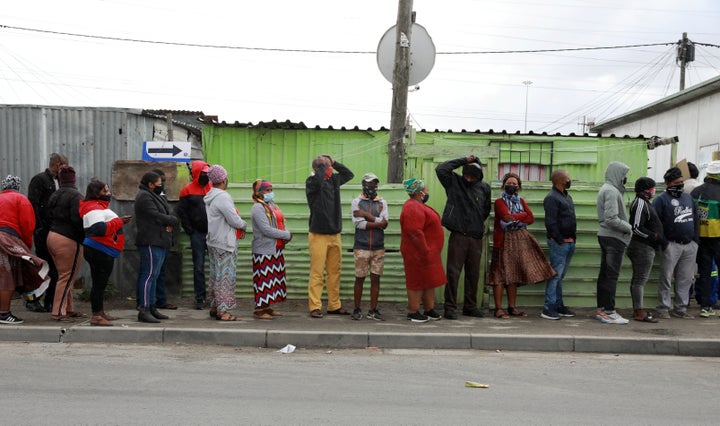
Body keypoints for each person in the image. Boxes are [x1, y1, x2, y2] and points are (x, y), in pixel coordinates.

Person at [488, 173, 555, 319]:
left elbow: (531, 218)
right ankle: (498, 308)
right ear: (504, 185)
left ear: (519, 186)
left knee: (514, 274)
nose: (512, 185)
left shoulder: (521, 200)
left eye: (514, 183)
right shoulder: (499, 201)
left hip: (519, 242)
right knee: (499, 274)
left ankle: (512, 307)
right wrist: (521, 216)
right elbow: (505, 216)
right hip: (503, 240)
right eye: (509, 183)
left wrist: (515, 218)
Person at [435, 155, 491, 320]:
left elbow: (485, 210)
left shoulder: (485, 188)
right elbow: (441, 168)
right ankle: (450, 307)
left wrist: (475, 223)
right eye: (466, 174)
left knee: (473, 274)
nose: (468, 178)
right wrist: (463, 160)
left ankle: (470, 306)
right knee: (453, 272)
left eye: (472, 176)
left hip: (476, 236)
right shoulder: (454, 182)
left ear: (478, 176)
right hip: (458, 234)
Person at [305, 154, 354, 319]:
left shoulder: (333, 181)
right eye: (325, 167)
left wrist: (334, 162)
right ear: (316, 169)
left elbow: (349, 174)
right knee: (317, 272)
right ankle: (315, 306)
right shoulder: (312, 182)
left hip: (334, 234)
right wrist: (321, 166)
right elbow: (318, 181)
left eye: (329, 166)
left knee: (335, 271)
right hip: (318, 234)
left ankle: (334, 305)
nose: (329, 170)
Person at [79, 179, 132, 326]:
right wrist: (119, 221)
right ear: (96, 193)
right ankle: (96, 316)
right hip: (99, 250)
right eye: (105, 191)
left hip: (101, 249)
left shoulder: (97, 206)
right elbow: (99, 229)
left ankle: (100, 312)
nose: (109, 193)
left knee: (100, 283)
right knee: (99, 284)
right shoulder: (94, 208)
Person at [0, 175, 50, 325]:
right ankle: (3, 313)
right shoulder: (20, 199)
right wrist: (25, 248)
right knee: (6, 278)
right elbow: (28, 225)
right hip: (6, 239)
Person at [653, 167, 698, 319]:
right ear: (668, 183)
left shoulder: (688, 198)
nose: (680, 184)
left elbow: (696, 219)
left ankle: (680, 309)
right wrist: (664, 242)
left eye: (681, 182)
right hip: (671, 245)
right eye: (676, 182)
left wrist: (695, 241)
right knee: (666, 278)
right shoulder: (660, 199)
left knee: (685, 279)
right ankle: (663, 309)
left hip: (689, 245)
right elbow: (655, 222)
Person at [399, 178, 445, 323]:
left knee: (428, 281)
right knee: (416, 281)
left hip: (427, 253)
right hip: (417, 253)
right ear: (420, 193)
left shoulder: (417, 205)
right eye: (426, 190)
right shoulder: (412, 207)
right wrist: (424, 250)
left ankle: (429, 309)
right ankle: (413, 311)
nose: (427, 192)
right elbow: (414, 231)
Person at [134, 171, 178, 323]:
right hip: (151, 241)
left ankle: (152, 306)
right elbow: (155, 215)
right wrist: (171, 221)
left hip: (159, 240)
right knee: (148, 276)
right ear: (151, 184)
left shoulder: (155, 195)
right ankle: (144, 308)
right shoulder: (145, 196)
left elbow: (166, 211)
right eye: (159, 184)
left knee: (154, 275)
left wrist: (169, 221)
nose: (161, 186)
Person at [205, 165, 247, 321]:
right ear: (223, 179)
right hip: (224, 242)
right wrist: (244, 225)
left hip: (214, 240)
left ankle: (215, 306)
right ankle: (223, 311)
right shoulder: (222, 196)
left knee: (216, 275)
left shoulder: (210, 195)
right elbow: (233, 219)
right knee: (226, 277)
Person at [27, 152, 67, 312]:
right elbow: (34, 204)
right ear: (57, 165)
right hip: (43, 232)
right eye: (64, 166)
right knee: (44, 268)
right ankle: (33, 300)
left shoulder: (55, 182)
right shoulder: (40, 180)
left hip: (52, 231)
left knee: (53, 269)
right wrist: (39, 227)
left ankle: (49, 301)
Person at [46, 165, 86, 322]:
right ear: (74, 179)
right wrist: (84, 236)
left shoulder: (55, 195)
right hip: (68, 239)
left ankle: (69, 308)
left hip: (52, 236)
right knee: (67, 276)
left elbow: (47, 215)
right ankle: (58, 311)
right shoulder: (76, 196)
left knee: (65, 274)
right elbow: (77, 220)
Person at [595, 161, 632, 324]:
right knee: (611, 276)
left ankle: (602, 310)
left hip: (608, 237)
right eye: (624, 175)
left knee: (605, 275)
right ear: (618, 174)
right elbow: (611, 219)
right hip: (613, 238)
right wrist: (629, 227)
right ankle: (609, 311)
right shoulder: (611, 191)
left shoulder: (609, 189)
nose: (625, 178)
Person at [350, 172, 389, 321]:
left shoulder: (382, 202)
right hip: (361, 246)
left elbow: (385, 224)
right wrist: (378, 222)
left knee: (375, 279)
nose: (372, 187)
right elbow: (359, 224)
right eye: (369, 184)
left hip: (378, 246)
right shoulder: (356, 202)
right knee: (359, 278)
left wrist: (366, 214)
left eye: (374, 184)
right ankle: (357, 308)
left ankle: (373, 310)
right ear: (363, 185)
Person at [250, 180, 291, 320]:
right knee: (264, 280)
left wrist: (286, 233)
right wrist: (286, 235)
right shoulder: (257, 208)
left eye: (270, 190)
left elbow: (281, 222)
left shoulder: (271, 205)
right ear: (259, 192)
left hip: (275, 248)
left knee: (273, 279)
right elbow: (265, 229)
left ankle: (267, 307)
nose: (270, 193)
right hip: (263, 249)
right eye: (267, 190)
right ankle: (259, 310)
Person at [541, 169, 577, 320]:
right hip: (559, 243)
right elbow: (551, 222)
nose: (570, 180)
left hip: (569, 242)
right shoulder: (551, 198)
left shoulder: (566, 196)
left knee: (559, 276)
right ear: (561, 180)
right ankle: (548, 308)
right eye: (568, 178)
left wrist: (572, 239)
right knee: (555, 275)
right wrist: (559, 240)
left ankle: (558, 305)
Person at [176, 160, 211, 310]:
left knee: (217, 265)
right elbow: (182, 212)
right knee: (198, 266)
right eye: (203, 173)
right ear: (197, 172)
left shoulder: (212, 188)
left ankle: (217, 297)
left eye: (208, 173)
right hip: (197, 234)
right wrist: (190, 230)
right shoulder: (187, 190)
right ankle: (200, 298)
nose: (206, 175)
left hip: (213, 234)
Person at [626, 177, 662, 323]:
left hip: (645, 247)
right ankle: (639, 311)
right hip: (642, 247)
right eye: (652, 188)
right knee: (640, 280)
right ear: (646, 190)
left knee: (638, 279)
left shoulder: (644, 203)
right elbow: (636, 228)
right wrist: (652, 236)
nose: (654, 191)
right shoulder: (640, 203)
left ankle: (638, 310)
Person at [690, 160, 720, 318]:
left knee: (704, 272)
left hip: (700, 239)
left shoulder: (696, 192)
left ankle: (705, 306)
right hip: (718, 238)